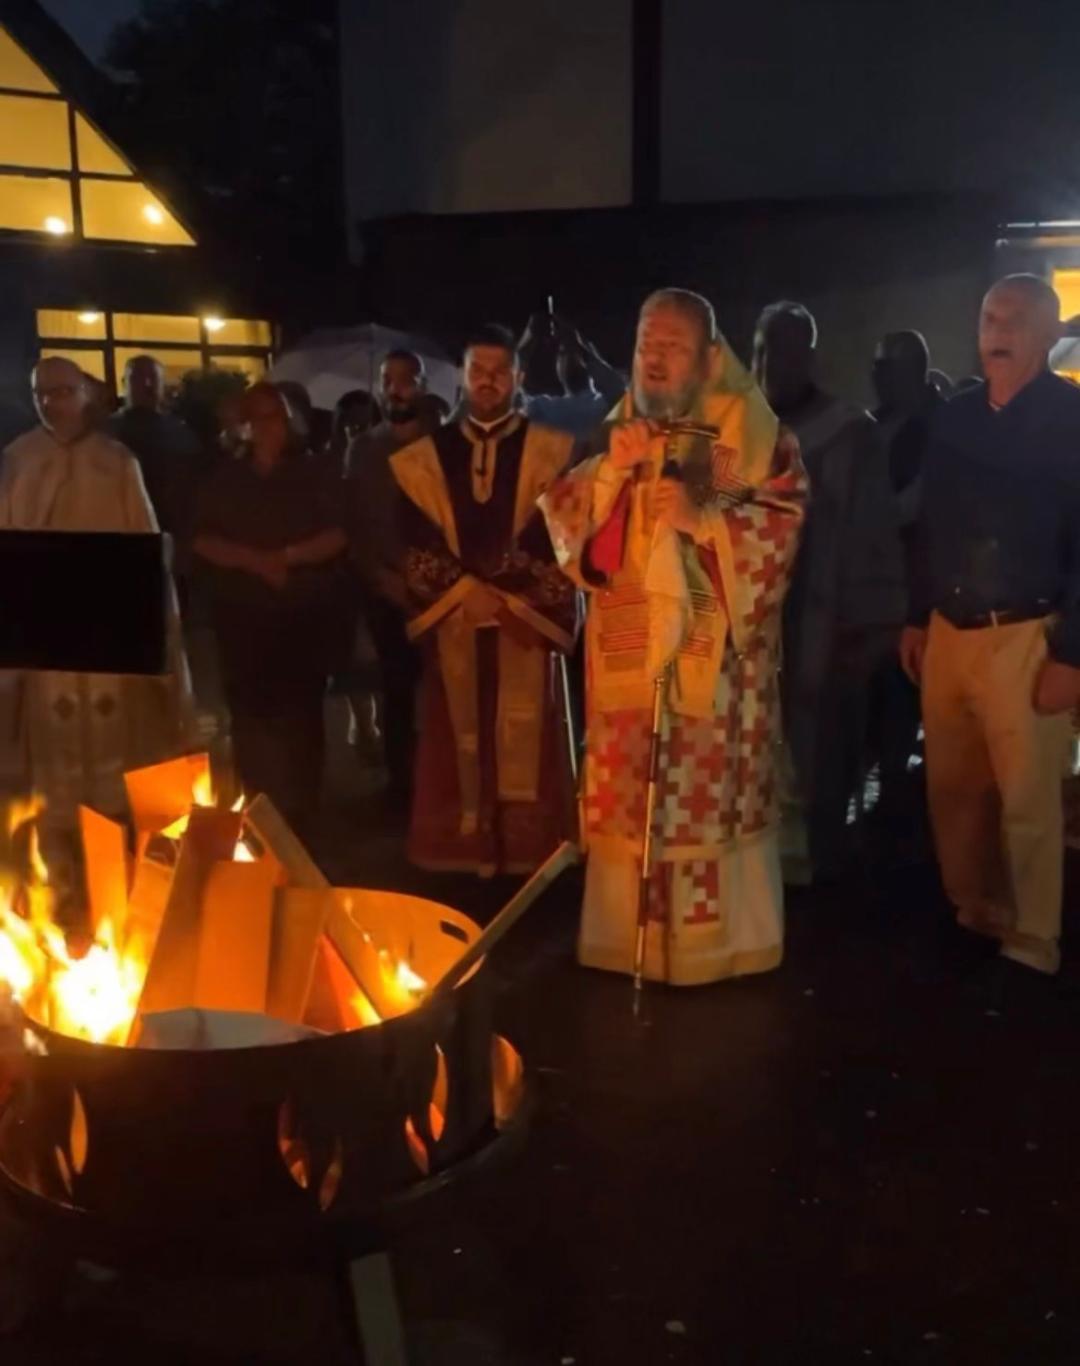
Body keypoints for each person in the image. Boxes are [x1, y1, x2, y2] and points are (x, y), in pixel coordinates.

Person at [541, 289, 807, 984]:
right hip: (628, 665)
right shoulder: (618, 431)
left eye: (673, 347)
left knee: (708, 808)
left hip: (718, 684)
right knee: (630, 804)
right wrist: (614, 473)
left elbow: (779, 535)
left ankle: (714, 953)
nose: (654, 360)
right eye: (645, 346)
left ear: (711, 358)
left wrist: (702, 519)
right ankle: (622, 942)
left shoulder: (754, 437)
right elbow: (580, 549)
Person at [900, 274, 1080, 979]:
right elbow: (929, 523)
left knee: (1028, 797)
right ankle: (975, 909)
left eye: (1014, 321)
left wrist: (1072, 654)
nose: (997, 333)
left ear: (1049, 333)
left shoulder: (1072, 420)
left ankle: (1034, 938)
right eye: (988, 319)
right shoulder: (956, 419)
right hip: (950, 628)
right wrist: (918, 615)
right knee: (954, 788)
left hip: (1027, 633)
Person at [392, 325, 578, 874]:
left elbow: (556, 533)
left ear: (518, 377)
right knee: (455, 737)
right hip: (456, 622)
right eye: (479, 370)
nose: (489, 381)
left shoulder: (552, 451)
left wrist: (501, 596)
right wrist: (463, 592)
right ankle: (459, 854)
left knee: (526, 736)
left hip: (522, 624)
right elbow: (414, 533)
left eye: (500, 371)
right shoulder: (423, 458)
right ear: (463, 377)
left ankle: (526, 856)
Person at [0, 357, 194, 843]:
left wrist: (157, 635)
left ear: (86, 395)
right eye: (42, 394)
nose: (52, 403)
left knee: (114, 743)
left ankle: (113, 849)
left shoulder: (117, 462)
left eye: (63, 392)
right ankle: (59, 857)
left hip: (111, 624)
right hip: (44, 627)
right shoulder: (16, 460)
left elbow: (146, 553)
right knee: (52, 751)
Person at [753, 302, 904, 882]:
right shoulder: (738, 431)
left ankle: (819, 873)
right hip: (752, 627)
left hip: (824, 620)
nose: (771, 363)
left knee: (822, 753)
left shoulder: (849, 435)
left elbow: (875, 534)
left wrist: (869, 629)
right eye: (761, 349)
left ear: (809, 357)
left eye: (785, 350)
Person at [192, 383, 348, 834]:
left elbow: (339, 533)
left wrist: (288, 558)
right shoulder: (223, 479)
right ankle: (258, 811)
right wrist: (255, 562)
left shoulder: (314, 473)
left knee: (303, 716)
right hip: (243, 617)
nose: (265, 427)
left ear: (289, 420)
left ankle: (303, 815)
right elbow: (201, 539)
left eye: (273, 416)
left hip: (301, 616)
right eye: (255, 417)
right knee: (249, 717)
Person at [345, 351, 436, 803]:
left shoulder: (444, 444)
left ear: (422, 384)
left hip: (439, 591)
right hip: (384, 590)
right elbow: (353, 522)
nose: (397, 389)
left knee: (442, 692)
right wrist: (381, 576)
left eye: (406, 379)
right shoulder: (363, 450)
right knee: (396, 690)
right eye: (388, 380)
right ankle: (401, 786)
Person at [107, 356, 201, 538]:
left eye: (153, 378)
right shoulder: (106, 431)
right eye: (138, 378)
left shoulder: (179, 432)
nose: (147, 384)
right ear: (125, 383)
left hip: (169, 528)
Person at [523, 314, 626, 437]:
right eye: (563, 353)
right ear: (557, 365)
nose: (571, 358)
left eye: (575, 352)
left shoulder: (602, 405)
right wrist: (530, 337)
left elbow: (619, 392)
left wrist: (581, 345)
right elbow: (512, 400)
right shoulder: (544, 409)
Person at [326, 389, 380, 476]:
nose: (349, 432)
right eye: (343, 423)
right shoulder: (315, 469)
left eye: (359, 428)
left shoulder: (385, 474)